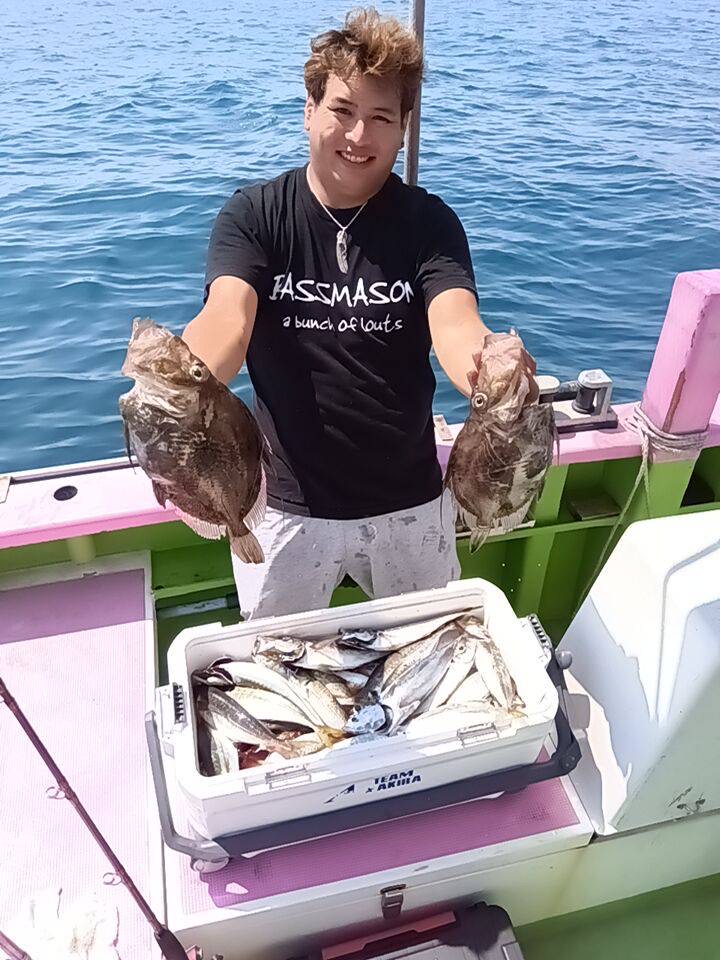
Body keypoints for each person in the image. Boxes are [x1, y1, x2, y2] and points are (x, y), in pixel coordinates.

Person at [182, 7, 526, 619]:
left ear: (403, 130)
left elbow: (455, 323)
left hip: (411, 500)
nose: (359, 136)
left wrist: (491, 365)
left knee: (432, 647)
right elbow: (228, 317)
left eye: (382, 118)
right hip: (284, 503)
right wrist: (184, 370)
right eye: (342, 110)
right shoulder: (254, 216)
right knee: (278, 658)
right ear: (309, 110)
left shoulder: (429, 224)